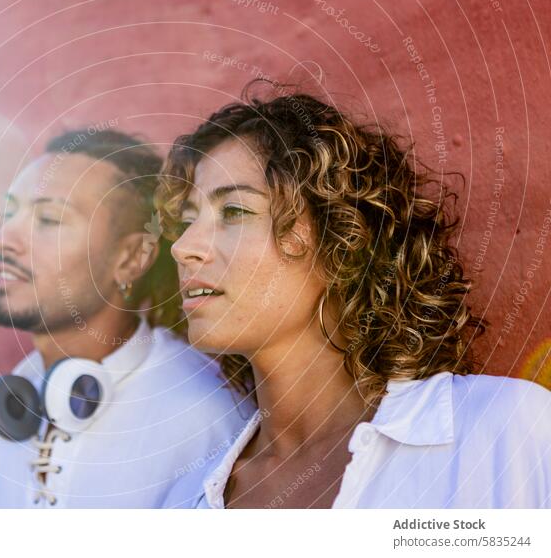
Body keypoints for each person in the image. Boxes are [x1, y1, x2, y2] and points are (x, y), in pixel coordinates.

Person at [156, 81, 551, 509]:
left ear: (342, 240)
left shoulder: (501, 430)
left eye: (234, 211)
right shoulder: (186, 503)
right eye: (187, 221)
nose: (183, 246)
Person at [0, 128, 253, 508]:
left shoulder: (203, 419)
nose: (2, 236)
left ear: (131, 258)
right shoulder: (11, 404)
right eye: (10, 212)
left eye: (49, 220)